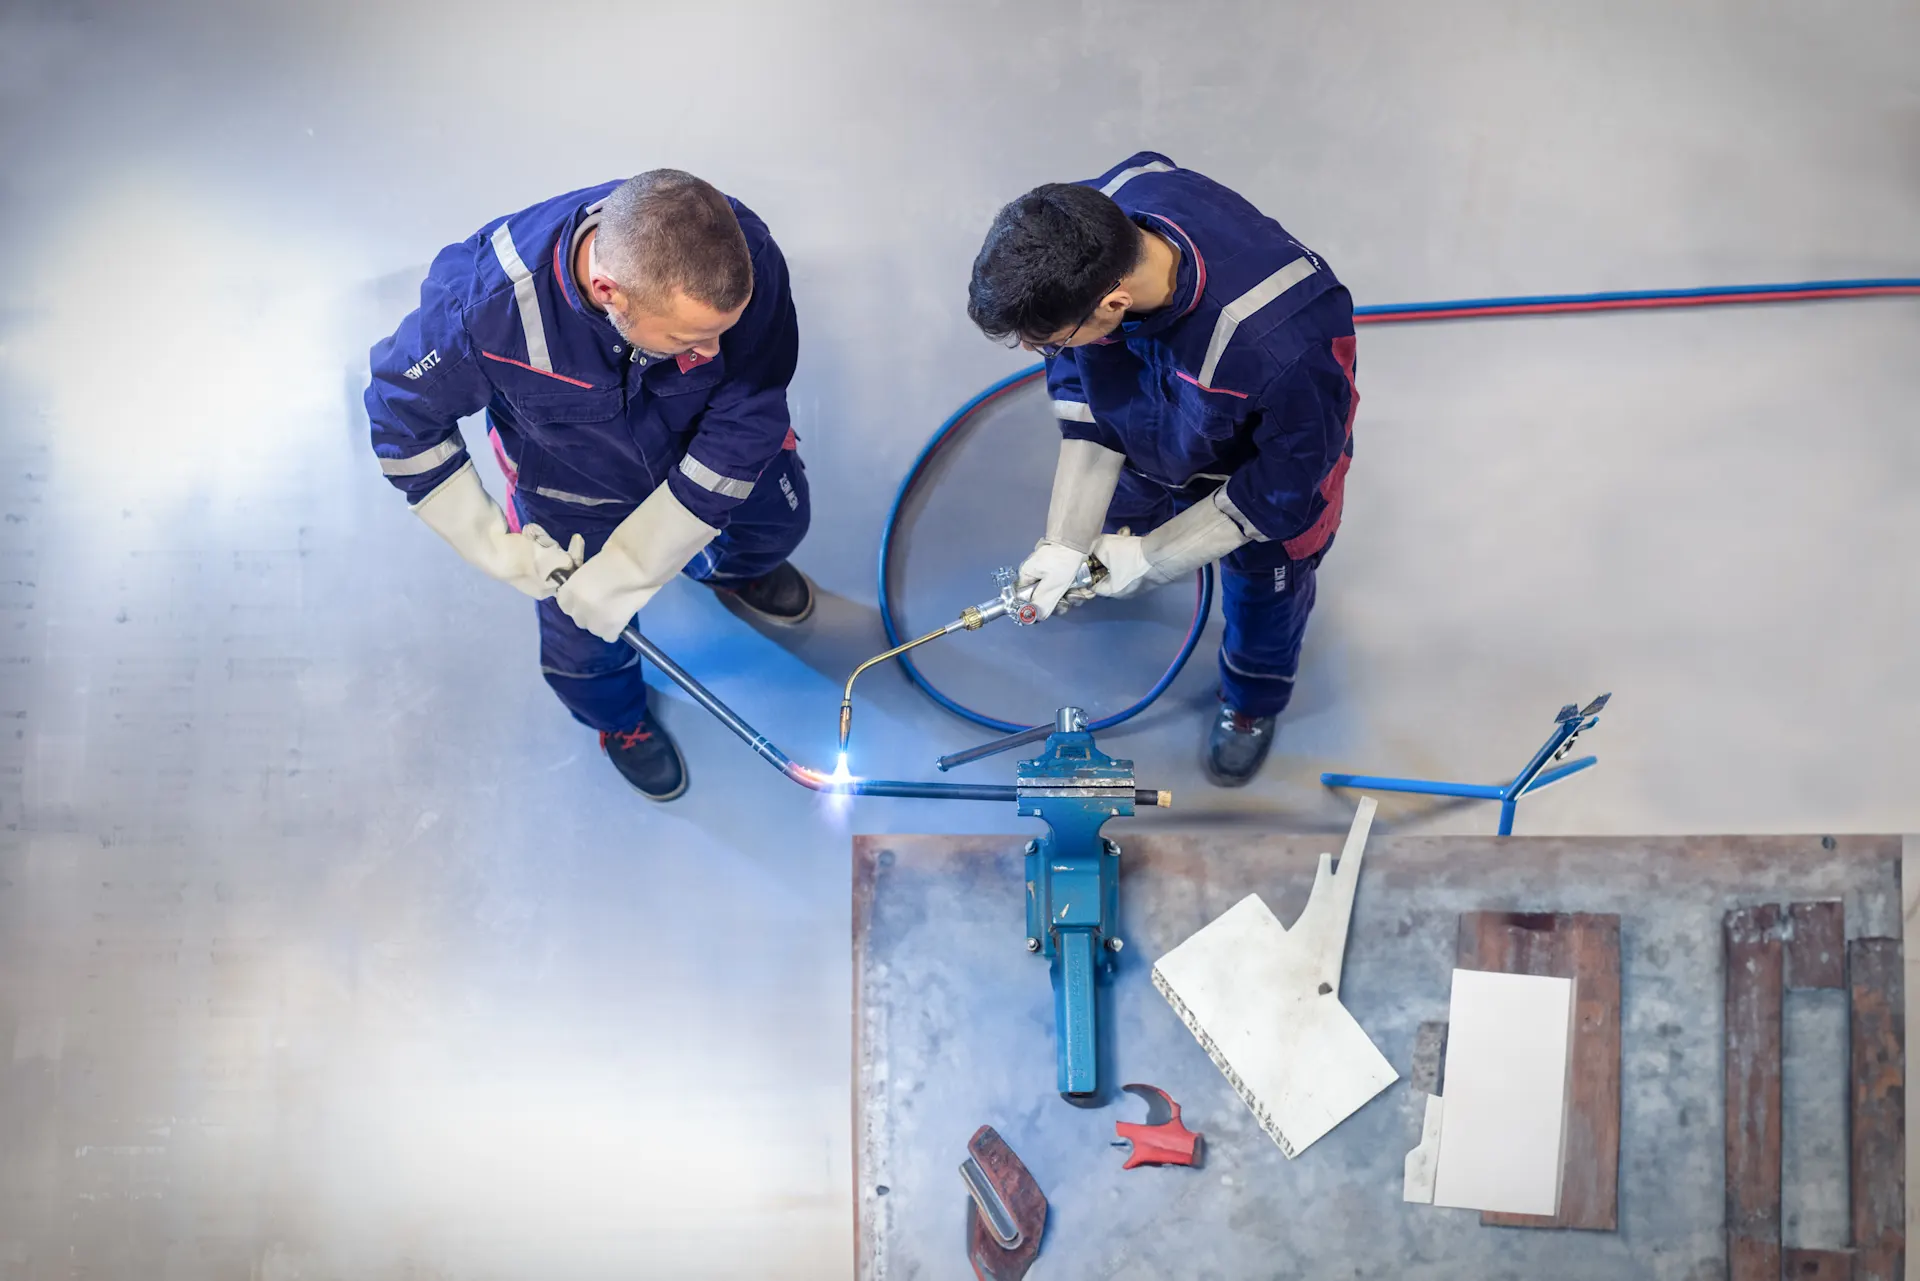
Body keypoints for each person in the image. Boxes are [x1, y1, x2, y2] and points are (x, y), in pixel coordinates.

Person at [366, 169, 814, 802]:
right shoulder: (482, 311)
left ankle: (732, 571)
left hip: (711, 456)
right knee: (583, 641)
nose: (714, 350)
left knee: (777, 525)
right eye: (689, 338)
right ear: (610, 292)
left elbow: (750, 407)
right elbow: (399, 415)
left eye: (721, 330)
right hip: (574, 494)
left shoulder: (740, 254)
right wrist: (497, 547)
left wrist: (643, 557)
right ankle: (618, 722)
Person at [967, 152, 1357, 786]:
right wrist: (1066, 540)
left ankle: (1252, 702)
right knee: (1113, 526)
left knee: (1265, 601)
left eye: (1049, 341)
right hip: (1150, 433)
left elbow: (1287, 481)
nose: (1040, 355)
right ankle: (1099, 556)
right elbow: (1080, 377)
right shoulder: (1084, 225)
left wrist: (1156, 558)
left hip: (1262, 470)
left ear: (1115, 302)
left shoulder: (1282, 343)